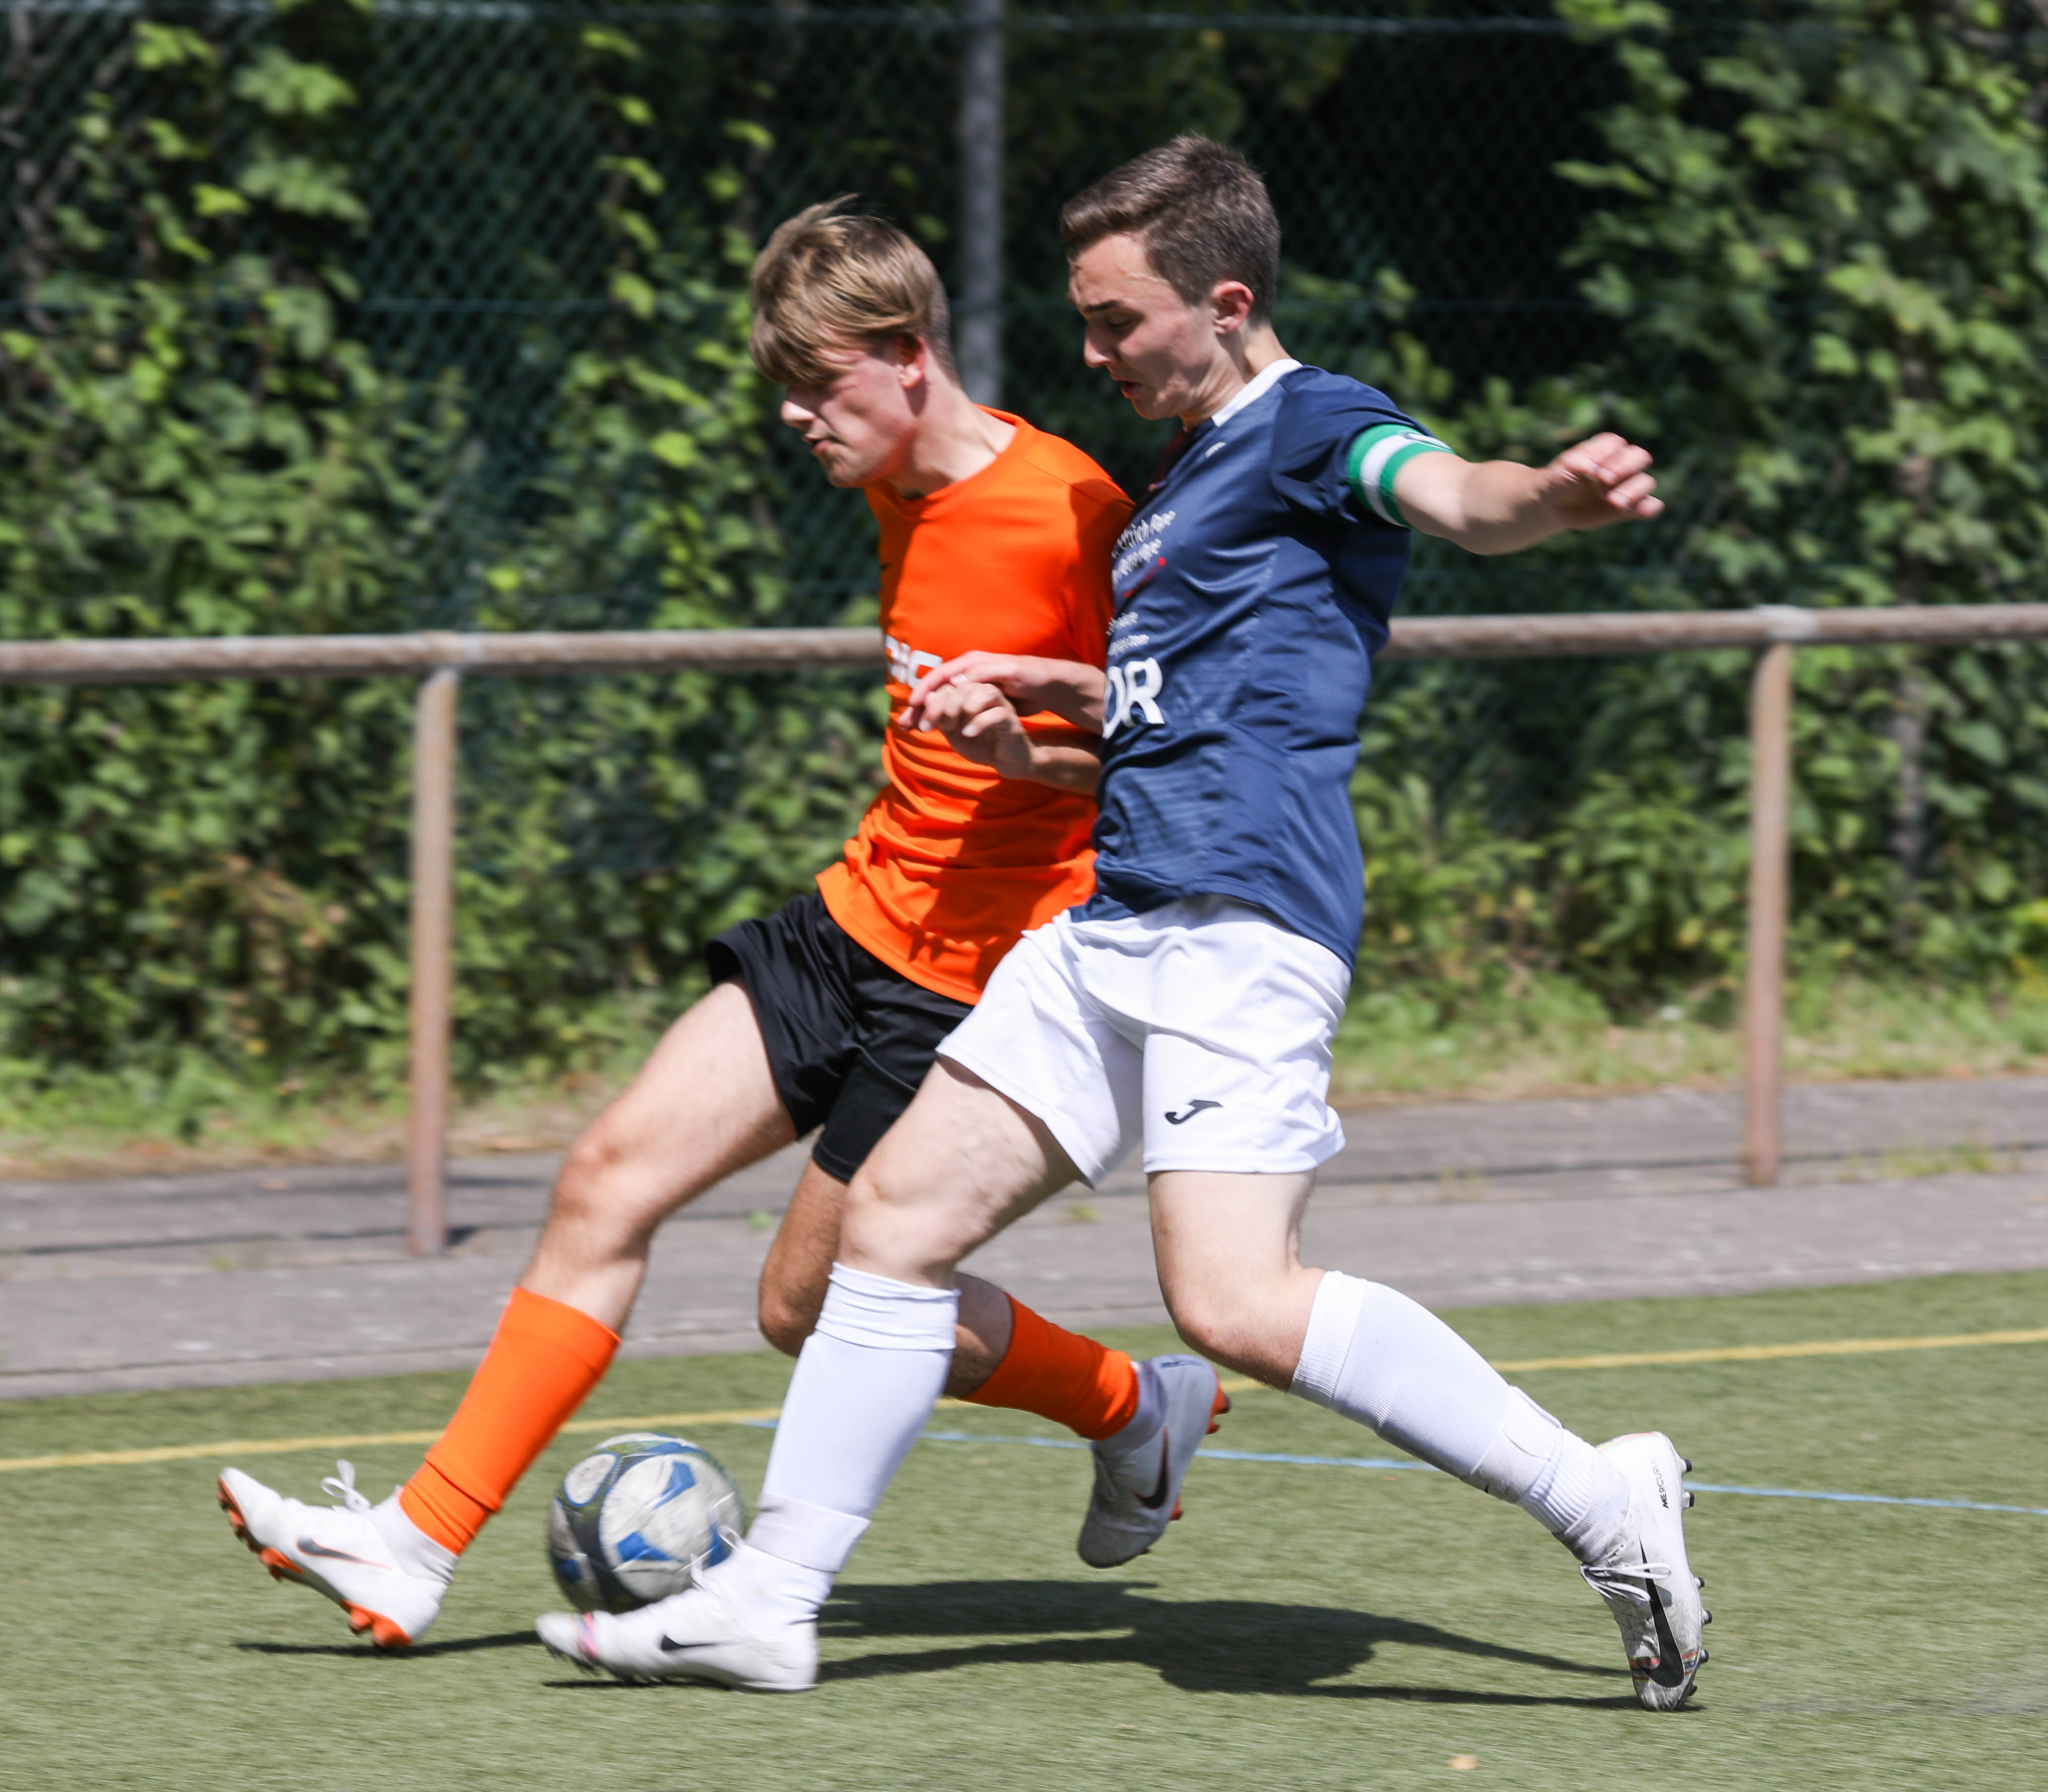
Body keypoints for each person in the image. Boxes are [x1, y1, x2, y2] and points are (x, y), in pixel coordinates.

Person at [536, 136, 1710, 1710]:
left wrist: (1544, 497)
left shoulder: (1313, 423)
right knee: (887, 1226)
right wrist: (1046, 712)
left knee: (1230, 1304)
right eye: (1083, 321)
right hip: (1114, 919)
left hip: (1243, 921)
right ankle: (770, 1601)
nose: (1091, 353)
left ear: (1223, 304)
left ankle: (1601, 1495)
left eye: (1114, 321)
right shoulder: (1180, 483)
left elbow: (1449, 495)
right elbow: (1185, 701)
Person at [217, 199, 1227, 1652]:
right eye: (782, 386)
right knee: (605, 1174)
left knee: (807, 1308)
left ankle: (1134, 1404)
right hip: (852, 917)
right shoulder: (893, 483)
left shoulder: (1072, 512)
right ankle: (413, 1546)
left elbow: (1168, 758)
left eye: (819, 383)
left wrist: (1028, 758)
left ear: (910, 354)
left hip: (977, 981)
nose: (794, 415)